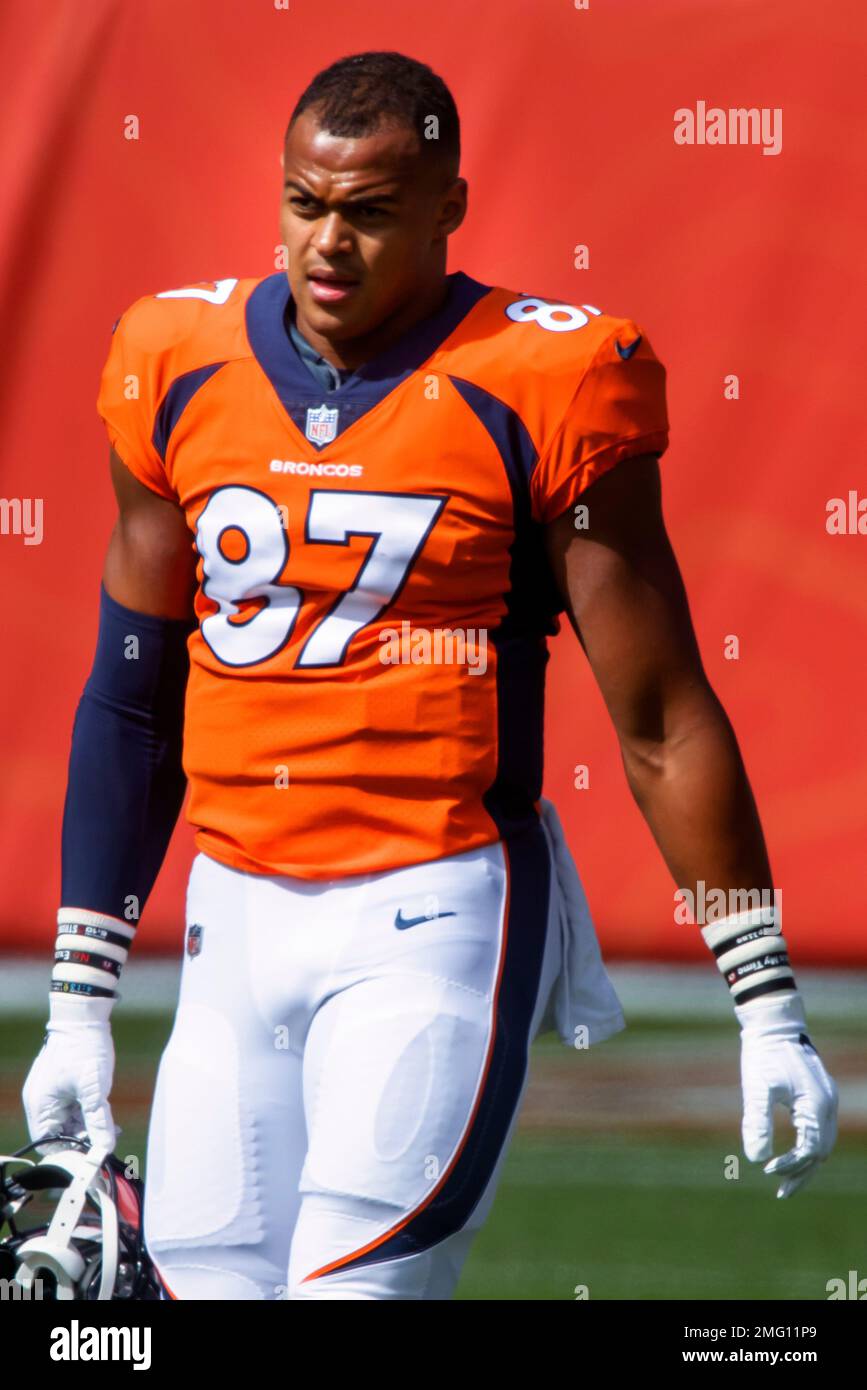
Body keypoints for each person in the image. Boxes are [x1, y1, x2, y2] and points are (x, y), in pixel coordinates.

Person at [22, 50, 837, 1301]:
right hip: (232, 915)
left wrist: (764, 993)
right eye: (305, 205)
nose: (327, 246)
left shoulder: (547, 378)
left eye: (369, 213)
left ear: (450, 208)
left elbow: (662, 713)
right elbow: (133, 698)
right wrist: (81, 997)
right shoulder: (174, 360)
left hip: (434, 905)